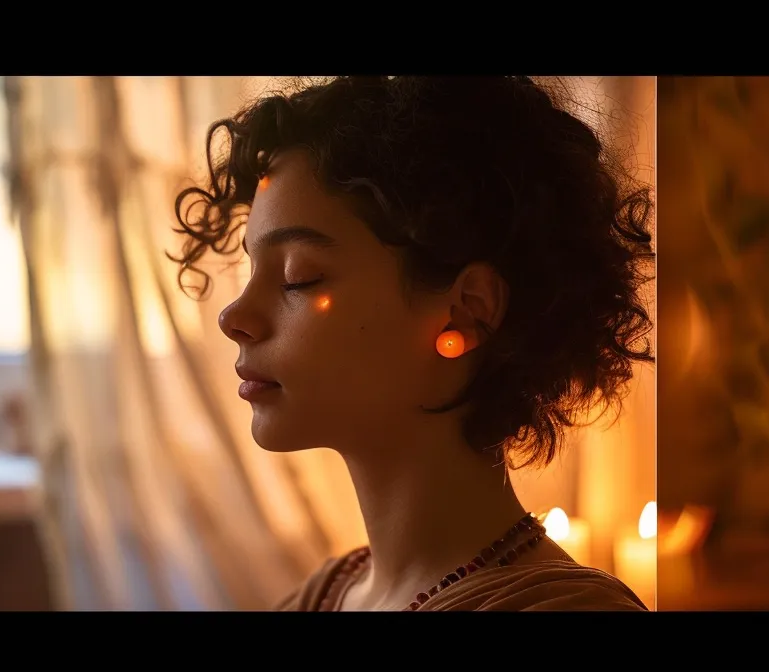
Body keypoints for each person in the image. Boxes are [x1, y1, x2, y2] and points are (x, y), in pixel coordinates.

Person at [171, 76, 654, 611]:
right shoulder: (324, 596)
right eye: (250, 266)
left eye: (298, 276)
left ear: (468, 311)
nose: (234, 316)